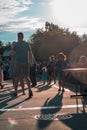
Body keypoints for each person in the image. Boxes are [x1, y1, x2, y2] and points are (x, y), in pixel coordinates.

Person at [12, 32, 33, 98]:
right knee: (27, 77)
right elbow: (30, 53)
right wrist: (31, 61)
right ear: (23, 37)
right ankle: (29, 89)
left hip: (18, 62)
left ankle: (15, 92)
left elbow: (12, 53)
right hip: (25, 62)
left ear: (18, 37)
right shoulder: (27, 44)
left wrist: (11, 53)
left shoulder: (16, 44)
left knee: (17, 77)